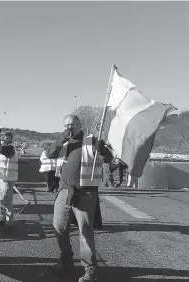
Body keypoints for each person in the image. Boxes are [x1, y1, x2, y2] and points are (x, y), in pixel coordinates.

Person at [46, 114, 113, 282]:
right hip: (64, 191)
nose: (69, 128)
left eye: (73, 125)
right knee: (59, 227)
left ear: (80, 125)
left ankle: (90, 269)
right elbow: (49, 154)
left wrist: (102, 149)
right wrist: (61, 141)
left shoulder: (90, 141)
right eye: (66, 125)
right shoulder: (63, 143)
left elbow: (108, 159)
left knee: (85, 230)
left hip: (85, 192)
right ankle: (66, 263)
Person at [0, 130, 18, 227]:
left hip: (8, 179)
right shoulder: (3, 148)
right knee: (2, 200)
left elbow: (2, 150)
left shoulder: (10, 148)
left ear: (10, 138)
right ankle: (3, 218)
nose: (2, 138)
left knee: (7, 201)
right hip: (2, 178)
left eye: (5, 136)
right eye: (1, 136)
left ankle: (9, 221)